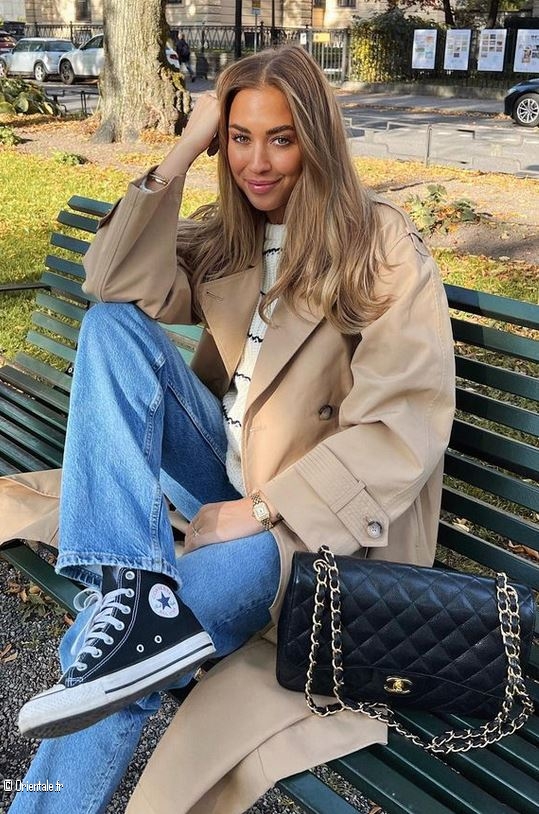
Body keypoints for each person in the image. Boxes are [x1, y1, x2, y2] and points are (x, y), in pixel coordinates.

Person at [5, 44, 455, 813]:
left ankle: (125, 626)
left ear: (316, 139)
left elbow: (401, 429)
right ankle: (133, 589)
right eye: (239, 138)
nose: (257, 162)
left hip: (308, 529)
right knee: (112, 326)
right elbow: (110, 280)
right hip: (222, 474)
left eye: (280, 139)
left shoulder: (379, 245)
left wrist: (260, 509)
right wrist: (183, 148)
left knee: (121, 661)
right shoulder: (232, 233)